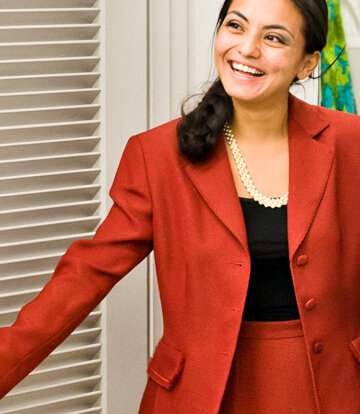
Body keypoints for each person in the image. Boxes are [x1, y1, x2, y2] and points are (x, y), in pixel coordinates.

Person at [1, 0, 360, 412]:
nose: (247, 48)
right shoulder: (156, 156)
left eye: (274, 37)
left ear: (306, 62)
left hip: (330, 392)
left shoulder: (351, 144)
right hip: (201, 396)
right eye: (236, 26)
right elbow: (83, 278)